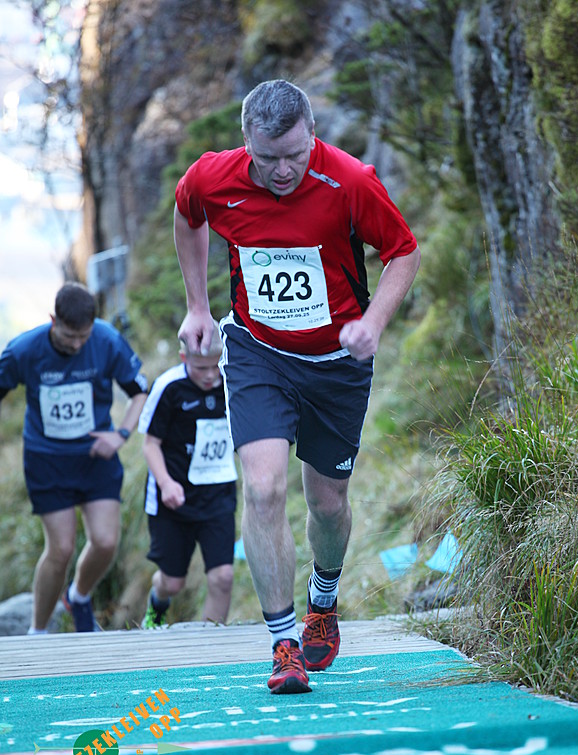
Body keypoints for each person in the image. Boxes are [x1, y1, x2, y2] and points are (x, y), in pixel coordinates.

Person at [174, 79, 420, 694]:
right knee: (262, 489)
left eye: (294, 154)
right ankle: (283, 645)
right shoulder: (214, 177)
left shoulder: (350, 182)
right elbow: (188, 213)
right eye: (267, 158)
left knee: (327, 505)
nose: (282, 171)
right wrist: (198, 306)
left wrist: (373, 323)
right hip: (258, 351)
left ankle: (324, 600)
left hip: (337, 361)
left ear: (312, 134)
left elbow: (404, 251)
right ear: (246, 143)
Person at [0, 282, 148, 633]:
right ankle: (38, 631)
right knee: (61, 548)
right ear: (53, 320)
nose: (77, 344)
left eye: (84, 336)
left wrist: (121, 434)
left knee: (106, 542)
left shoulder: (107, 340)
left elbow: (140, 392)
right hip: (47, 461)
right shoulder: (24, 350)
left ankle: (78, 597)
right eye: (69, 336)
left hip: (96, 457)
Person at [138, 330, 237, 628]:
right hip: (173, 498)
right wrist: (166, 483)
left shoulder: (234, 380)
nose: (210, 375)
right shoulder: (169, 387)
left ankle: (210, 645)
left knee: (223, 577)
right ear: (184, 358)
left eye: (215, 366)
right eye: (201, 368)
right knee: (172, 582)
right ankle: (156, 609)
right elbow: (150, 444)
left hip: (218, 495)